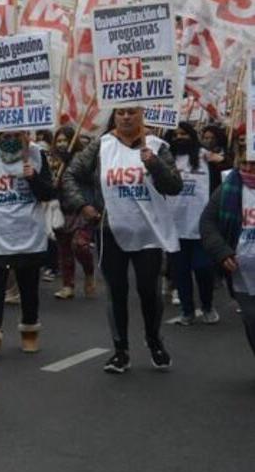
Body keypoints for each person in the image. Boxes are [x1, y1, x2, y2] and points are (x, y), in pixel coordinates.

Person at [62, 107, 182, 373]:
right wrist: (83, 206)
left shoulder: (157, 145)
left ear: (142, 115)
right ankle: (120, 351)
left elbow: (174, 186)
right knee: (116, 292)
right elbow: (70, 175)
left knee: (148, 290)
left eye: (132, 112)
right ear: (114, 117)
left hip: (148, 232)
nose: (126, 117)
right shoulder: (101, 145)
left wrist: (154, 164)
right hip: (110, 230)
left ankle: (154, 342)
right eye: (121, 113)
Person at [0, 130, 56, 358]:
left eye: (14, 135)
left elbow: (48, 193)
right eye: (4, 135)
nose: (9, 139)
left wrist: (34, 178)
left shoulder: (37, 154)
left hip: (28, 229)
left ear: (25, 133)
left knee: (28, 284)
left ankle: (29, 328)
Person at [199, 143, 255, 359]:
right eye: (245, 164)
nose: (249, 170)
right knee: (251, 320)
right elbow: (207, 223)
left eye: (254, 165)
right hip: (243, 272)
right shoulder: (229, 187)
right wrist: (222, 252)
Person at [166, 123, 219, 326]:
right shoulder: (167, 157)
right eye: (176, 135)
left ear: (192, 136)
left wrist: (220, 160)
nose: (180, 138)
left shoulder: (205, 156)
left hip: (202, 226)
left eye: (184, 134)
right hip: (175, 226)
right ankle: (187, 311)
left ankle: (207, 306)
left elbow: (227, 172)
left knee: (203, 268)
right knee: (181, 272)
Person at [50, 127, 97, 300]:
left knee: (80, 245)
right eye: (59, 141)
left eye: (65, 140)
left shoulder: (82, 158)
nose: (62, 144)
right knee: (64, 250)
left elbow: (90, 177)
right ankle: (67, 285)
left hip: (80, 208)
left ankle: (89, 272)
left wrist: (71, 164)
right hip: (60, 210)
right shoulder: (52, 160)